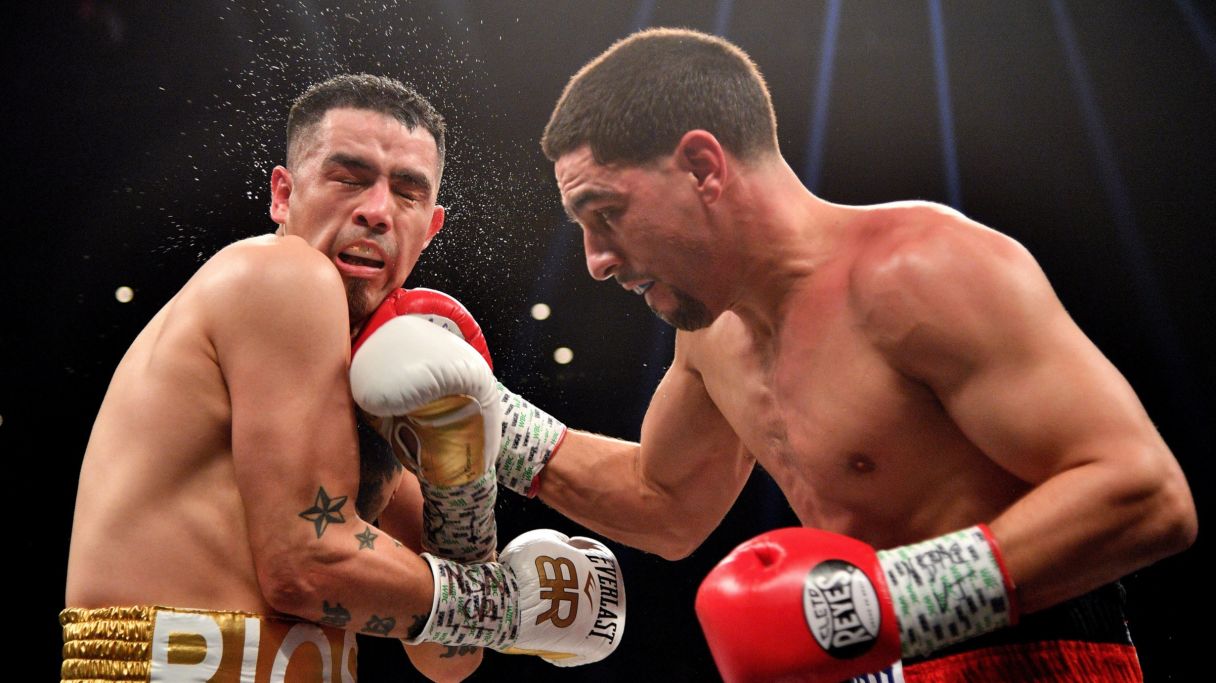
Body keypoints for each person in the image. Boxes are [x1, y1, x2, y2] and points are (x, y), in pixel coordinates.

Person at [479, 27, 1196, 681]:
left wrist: (881, 601)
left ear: (703, 165)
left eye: (606, 213)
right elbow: (665, 503)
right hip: (869, 663)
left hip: (1028, 657)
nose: (596, 260)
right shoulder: (709, 334)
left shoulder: (921, 271)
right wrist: (484, 418)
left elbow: (1146, 493)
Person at [61, 73, 623, 683]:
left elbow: (447, 660)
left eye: (407, 193)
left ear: (430, 228)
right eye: (348, 178)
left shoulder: (387, 374)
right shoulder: (279, 274)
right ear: (282, 194)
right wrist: (511, 606)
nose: (376, 211)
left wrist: (463, 487)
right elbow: (304, 568)